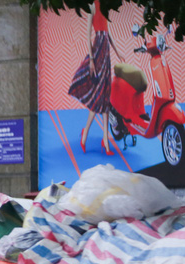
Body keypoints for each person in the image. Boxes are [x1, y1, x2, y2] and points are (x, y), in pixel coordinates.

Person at [67, 0, 125, 155]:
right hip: (98, 49)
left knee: (106, 95)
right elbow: (88, 35)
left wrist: (118, 52)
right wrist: (92, 59)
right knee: (99, 95)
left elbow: (108, 32)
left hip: (106, 51)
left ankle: (105, 140)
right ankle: (86, 133)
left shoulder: (106, 6)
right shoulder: (92, 5)